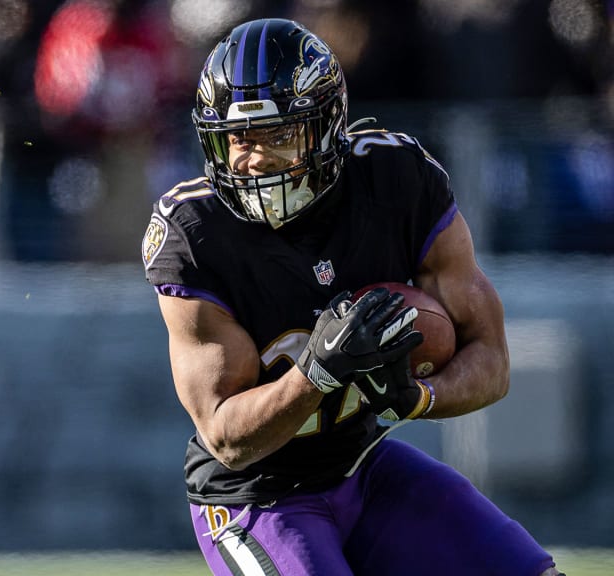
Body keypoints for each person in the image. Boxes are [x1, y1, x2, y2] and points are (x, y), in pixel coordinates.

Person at [141, 18, 562, 576]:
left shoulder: (395, 179)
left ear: (324, 126)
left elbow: (492, 360)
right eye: (238, 137)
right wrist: (315, 371)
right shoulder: (195, 232)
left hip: (362, 466)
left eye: (278, 134)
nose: (255, 159)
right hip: (254, 498)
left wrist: (417, 398)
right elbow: (225, 436)